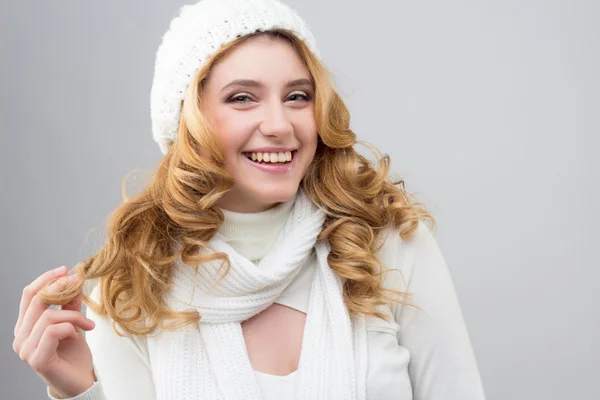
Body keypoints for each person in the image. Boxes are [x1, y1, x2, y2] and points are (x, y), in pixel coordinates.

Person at [12, 0, 486, 399]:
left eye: (298, 96)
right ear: (188, 120)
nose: (280, 124)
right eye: (242, 98)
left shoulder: (384, 243)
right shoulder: (134, 286)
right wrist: (80, 392)